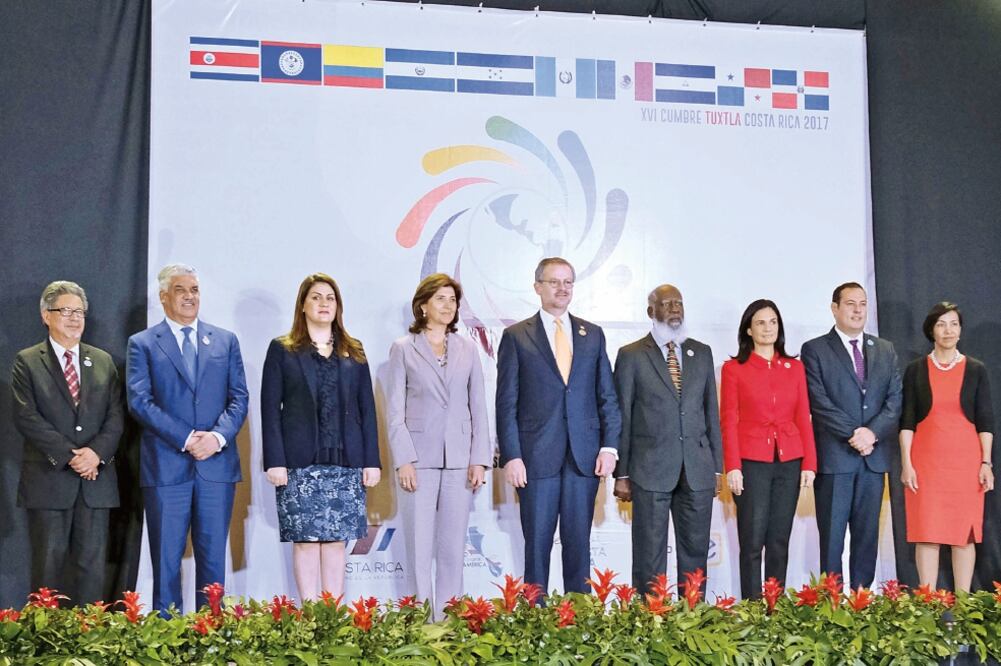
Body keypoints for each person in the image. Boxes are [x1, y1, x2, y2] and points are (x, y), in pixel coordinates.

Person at [126, 264, 249, 614]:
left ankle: (210, 634)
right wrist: (185, 437)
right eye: (181, 290)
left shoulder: (225, 340)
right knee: (165, 561)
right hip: (167, 467)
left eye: (195, 289)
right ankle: (167, 640)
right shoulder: (143, 344)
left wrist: (217, 438)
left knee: (213, 563)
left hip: (216, 467)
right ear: (164, 297)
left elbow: (239, 398)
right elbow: (140, 401)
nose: (190, 296)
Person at [496, 257, 621, 594]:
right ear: (537, 287)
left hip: (584, 458)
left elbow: (606, 396)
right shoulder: (516, 336)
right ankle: (535, 624)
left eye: (568, 282)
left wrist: (609, 447)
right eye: (554, 282)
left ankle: (576, 621)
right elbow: (506, 402)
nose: (562, 288)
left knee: (578, 544)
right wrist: (512, 456)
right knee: (536, 545)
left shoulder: (592, 334)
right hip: (535, 459)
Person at [261, 273, 381, 601]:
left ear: (338, 306)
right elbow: (270, 409)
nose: (324, 303)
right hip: (299, 463)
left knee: (336, 541)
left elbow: (366, 410)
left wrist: (372, 461)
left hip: (345, 462)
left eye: (330, 297)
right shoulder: (282, 350)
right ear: (303, 306)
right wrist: (275, 461)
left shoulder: (353, 351)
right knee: (306, 540)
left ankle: (331, 617)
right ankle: (310, 614)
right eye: (316, 297)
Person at [11, 281, 124, 606]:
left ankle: (91, 642)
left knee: (93, 571)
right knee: (48, 570)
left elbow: (116, 418)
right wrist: (71, 456)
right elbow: (26, 417)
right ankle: (47, 646)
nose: (74, 318)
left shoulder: (102, 361)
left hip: (96, 482)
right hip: (49, 481)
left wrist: (95, 455)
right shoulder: (28, 361)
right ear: (46, 315)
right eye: (66, 311)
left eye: (79, 312)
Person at [385, 273, 491, 618]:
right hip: (419, 460)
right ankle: (421, 617)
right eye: (441, 299)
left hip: (460, 461)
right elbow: (394, 411)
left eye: (453, 300)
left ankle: (449, 617)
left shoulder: (467, 348)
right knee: (419, 546)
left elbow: (478, 406)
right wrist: (404, 460)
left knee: (451, 548)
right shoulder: (403, 348)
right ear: (423, 305)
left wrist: (480, 459)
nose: (448, 306)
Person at [612, 284, 723, 594]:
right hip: (649, 469)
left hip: (697, 469)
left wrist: (716, 468)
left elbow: (710, 413)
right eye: (667, 303)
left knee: (695, 555)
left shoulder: (701, 352)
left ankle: (694, 621)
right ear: (652, 312)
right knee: (649, 555)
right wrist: (621, 473)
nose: (675, 309)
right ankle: (651, 624)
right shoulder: (631, 355)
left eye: (679, 303)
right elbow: (623, 416)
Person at [801, 282, 902, 589]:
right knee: (832, 539)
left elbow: (894, 400)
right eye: (850, 304)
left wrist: (871, 433)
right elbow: (819, 401)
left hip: (873, 459)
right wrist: (853, 434)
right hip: (836, 460)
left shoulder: (884, 349)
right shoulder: (815, 349)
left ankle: (861, 604)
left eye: (862, 304)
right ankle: (832, 607)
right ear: (835, 308)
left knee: (867, 536)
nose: (858, 310)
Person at [721, 299, 817, 599]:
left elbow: (804, 415)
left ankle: (774, 610)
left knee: (779, 539)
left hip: (789, 458)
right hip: (751, 461)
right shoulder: (733, 369)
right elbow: (729, 420)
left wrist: (809, 463)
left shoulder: (794, 367)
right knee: (751, 542)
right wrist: (733, 466)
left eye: (773, 322)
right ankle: (752, 610)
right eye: (761, 322)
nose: (768, 328)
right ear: (748, 329)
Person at [900, 302, 994, 592]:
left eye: (954, 324)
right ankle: (926, 608)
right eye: (942, 324)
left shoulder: (976, 370)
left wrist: (986, 463)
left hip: (966, 465)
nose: (948, 330)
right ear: (932, 330)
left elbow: (986, 422)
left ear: (960, 330)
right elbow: (907, 423)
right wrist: (906, 464)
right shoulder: (916, 370)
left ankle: (964, 609)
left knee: (963, 536)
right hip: (925, 466)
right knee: (927, 534)